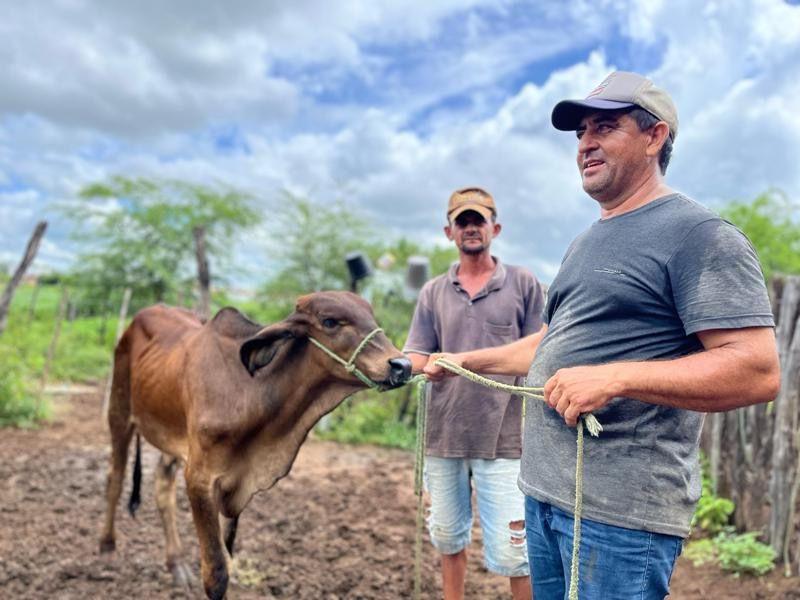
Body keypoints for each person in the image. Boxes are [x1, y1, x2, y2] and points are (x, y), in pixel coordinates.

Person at [423, 71, 781, 599]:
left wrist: (615, 377)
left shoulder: (699, 236)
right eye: (581, 131)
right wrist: (462, 361)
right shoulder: (585, 241)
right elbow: (548, 343)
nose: (586, 142)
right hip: (545, 493)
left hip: (618, 516)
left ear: (654, 136)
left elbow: (756, 368)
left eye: (605, 127)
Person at [404, 186, 545, 600]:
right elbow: (417, 352)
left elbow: (539, 349)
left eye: (478, 220)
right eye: (461, 221)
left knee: (515, 548)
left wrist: (467, 361)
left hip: (505, 437)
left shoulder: (523, 283)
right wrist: (397, 364)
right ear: (448, 232)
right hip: (443, 433)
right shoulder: (432, 291)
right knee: (447, 535)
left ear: (494, 228)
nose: (470, 228)